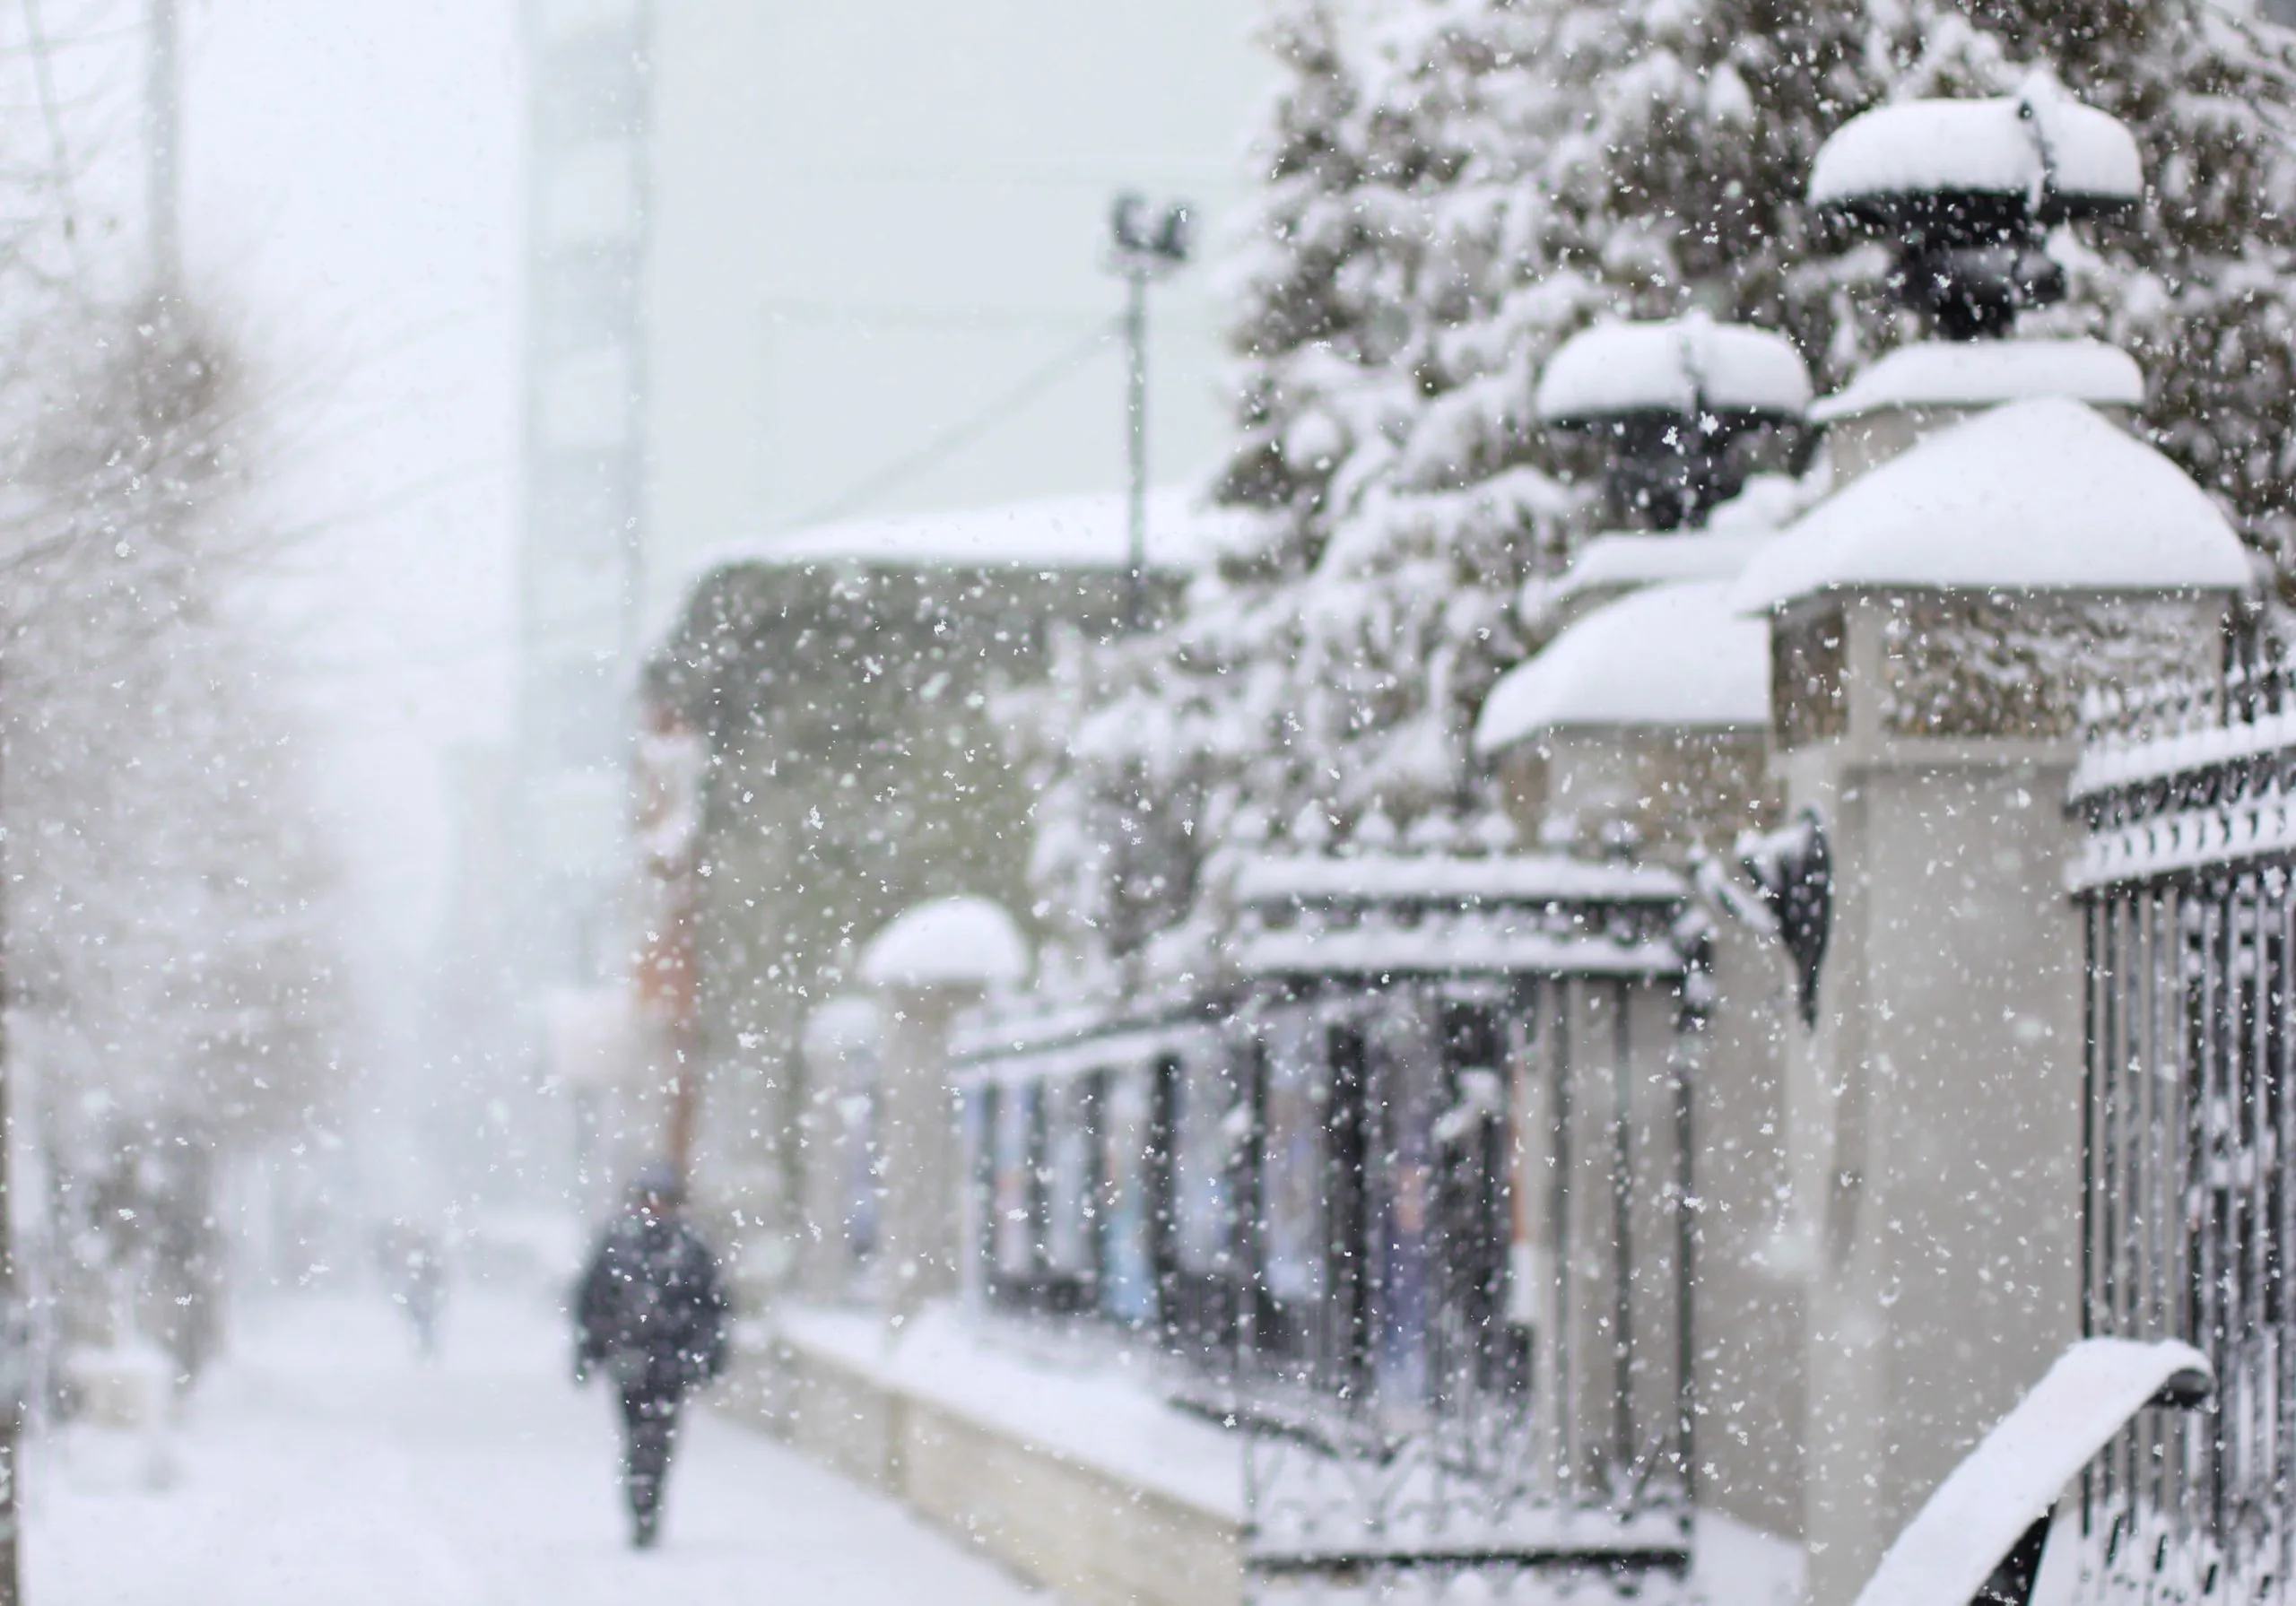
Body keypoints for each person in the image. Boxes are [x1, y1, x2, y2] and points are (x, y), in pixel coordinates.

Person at [574, 1164, 729, 1549]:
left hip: (672, 1362)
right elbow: (591, 1301)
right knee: (636, 1434)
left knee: (658, 1437)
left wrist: (706, 1355)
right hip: (629, 1358)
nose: (655, 1208)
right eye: (649, 1199)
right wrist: (589, 1350)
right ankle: (641, 1500)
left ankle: (648, 1501)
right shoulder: (616, 1244)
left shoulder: (691, 1248)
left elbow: (713, 1307)